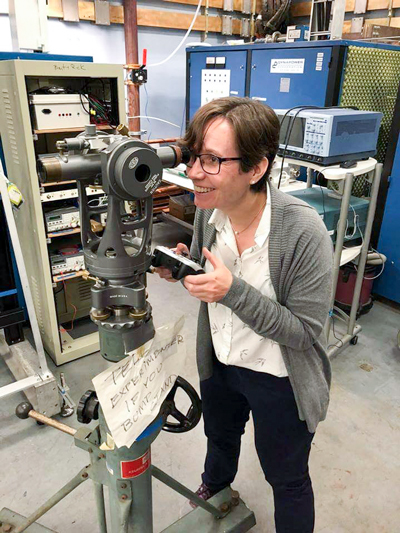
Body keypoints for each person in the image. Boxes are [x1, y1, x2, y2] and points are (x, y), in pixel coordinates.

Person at [156, 97, 333, 533]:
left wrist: (232, 292)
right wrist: (185, 264)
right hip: (220, 362)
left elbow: (304, 333)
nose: (194, 172)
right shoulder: (209, 211)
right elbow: (207, 266)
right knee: (219, 439)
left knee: (287, 478)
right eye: (193, 156)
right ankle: (216, 489)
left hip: (279, 379)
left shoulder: (302, 231)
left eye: (212, 160)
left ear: (256, 169)